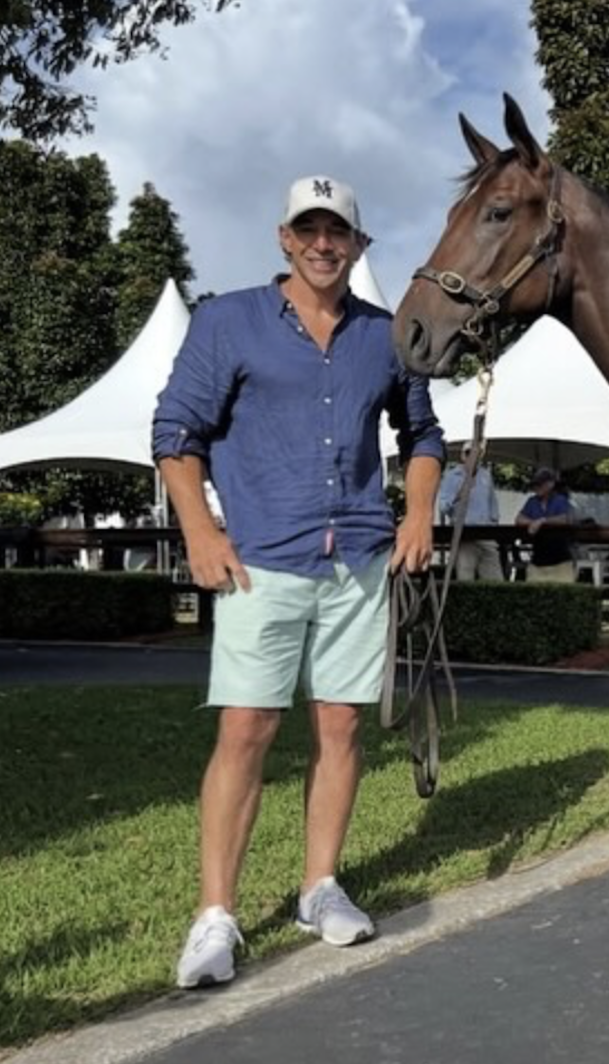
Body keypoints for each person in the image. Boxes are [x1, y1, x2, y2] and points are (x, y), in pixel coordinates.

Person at [152, 174, 444, 990]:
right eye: (308, 230)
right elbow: (176, 430)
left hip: (357, 557)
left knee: (342, 727)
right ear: (285, 238)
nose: (324, 244)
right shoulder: (227, 320)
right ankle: (216, 915)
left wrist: (417, 514)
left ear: (358, 245)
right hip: (262, 561)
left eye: (338, 232)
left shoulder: (386, 336)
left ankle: (321, 887)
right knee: (245, 731)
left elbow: (423, 433)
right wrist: (200, 531)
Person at [437, 443, 504, 580]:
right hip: (464, 536)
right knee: (465, 578)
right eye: (469, 453)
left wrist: (493, 524)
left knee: (495, 579)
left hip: (486, 535)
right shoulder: (451, 476)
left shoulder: (485, 475)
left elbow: (493, 505)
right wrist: (459, 494)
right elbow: (443, 507)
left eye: (477, 454)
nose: (474, 457)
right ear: (463, 456)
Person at [514, 467, 576, 582]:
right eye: (535, 484)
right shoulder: (532, 501)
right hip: (537, 560)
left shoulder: (560, 500)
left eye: (540, 484)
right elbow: (519, 519)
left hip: (560, 561)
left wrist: (543, 521)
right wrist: (533, 522)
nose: (536, 487)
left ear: (550, 484)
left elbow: (566, 519)